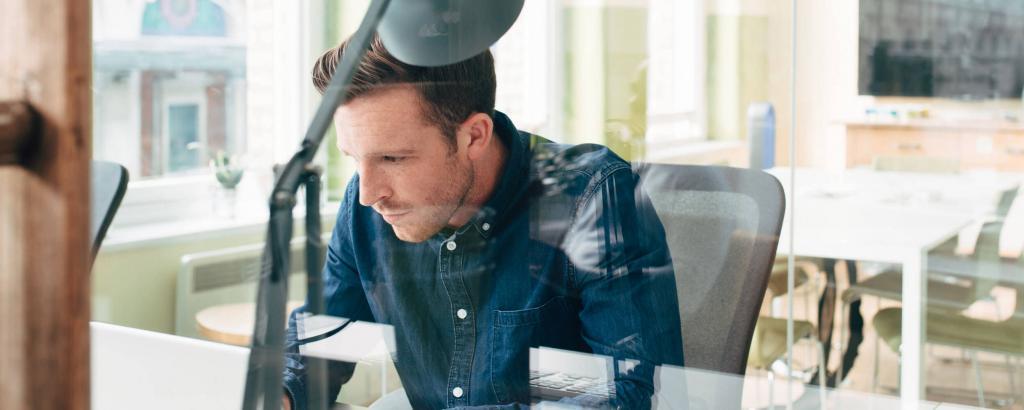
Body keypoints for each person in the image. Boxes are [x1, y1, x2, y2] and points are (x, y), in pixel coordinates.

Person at [282, 34, 683, 410]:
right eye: (354, 158)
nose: (369, 192)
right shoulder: (364, 208)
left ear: (474, 136)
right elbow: (323, 341)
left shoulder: (586, 199)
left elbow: (627, 393)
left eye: (393, 159)